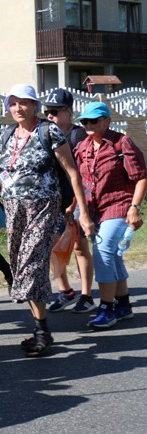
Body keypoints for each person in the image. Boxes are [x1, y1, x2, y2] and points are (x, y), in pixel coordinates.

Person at [0, 83, 94, 357]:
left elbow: (72, 173)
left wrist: (84, 214)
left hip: (43, 207)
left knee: (31, 266)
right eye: (13, 103)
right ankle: (41, 330)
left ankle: (42, 331)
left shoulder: (48, 130)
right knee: (23, 267)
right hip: (13, 209)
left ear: (35, 106)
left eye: (24, 103)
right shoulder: (7, 134)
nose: (18, 108)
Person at [73, 102, 147, 329]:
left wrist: (135, 207)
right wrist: (72, 206)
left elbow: (141, 177)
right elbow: (82, 182)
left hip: (119, 205)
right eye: (84, 121)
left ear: (107, 121)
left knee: (103, 251)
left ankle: (107, 308)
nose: (88, 125)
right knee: (113, 255)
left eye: (93, 121)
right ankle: (123, 305)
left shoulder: (121, 143)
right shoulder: (82, 147)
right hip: (94, 209)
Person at [43, 89, 95, 314]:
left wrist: (75, 205)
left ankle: (87, 296)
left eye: (54, 111)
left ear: (68, 111)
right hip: (54, 199)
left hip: (76, 199)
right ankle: (66, 292)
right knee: (54, 247)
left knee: (79, 247)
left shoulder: (78, 136)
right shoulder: (46, 133)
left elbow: (84, 174)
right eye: (47, 112)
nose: (50, 116)